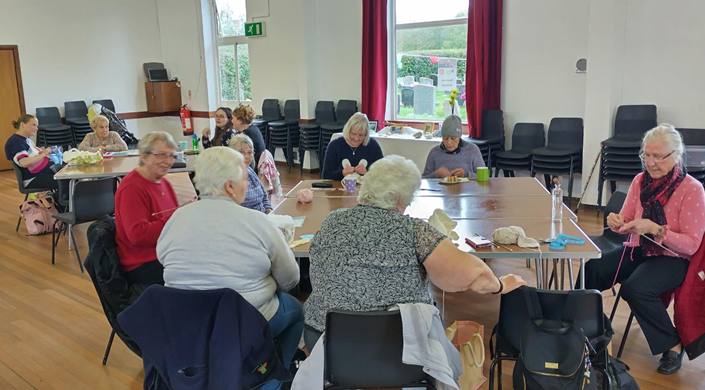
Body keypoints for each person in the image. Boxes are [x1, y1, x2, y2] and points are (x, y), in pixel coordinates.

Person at [304, 155, 526, 349]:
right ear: (402, 199)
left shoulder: (333, 220)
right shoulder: (414, 230)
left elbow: (316, 259)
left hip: (325, 343)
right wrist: (501, 285)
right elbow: (472, 276)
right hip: (396, 347)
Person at [157, 147, 302, 385]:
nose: (247, 184)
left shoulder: (176, 218)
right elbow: (290, 278)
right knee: (296, 311)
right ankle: (273, 377)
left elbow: (162, 258)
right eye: (244, 179)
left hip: (186, 324)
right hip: (244, 322)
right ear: (229, 186)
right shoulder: (257, 222)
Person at [583, 124, 705, 375]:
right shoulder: (640, 181)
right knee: (593, 269)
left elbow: (692, 245)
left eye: (657, 156)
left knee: (636, 288)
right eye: (646, 155)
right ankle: (583, 325)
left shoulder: (692, 189)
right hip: (639, 248)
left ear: (676, 155)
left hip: (675, 258)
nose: (650, 162)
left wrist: (658, 229)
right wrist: (616, 222)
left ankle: (673, 343)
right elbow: (626, 221)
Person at [115, 132, 182, 286]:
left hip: (164, 254)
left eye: (171, 156)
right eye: (161, 155)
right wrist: (177, 218)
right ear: (144, 156)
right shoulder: (132, 187)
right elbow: (138, 235)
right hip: (142, 263)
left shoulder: (164, 182)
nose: (168, 161)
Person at [5, 114, 61, 190]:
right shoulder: (16, 141)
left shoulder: (25, 139)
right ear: (22, 124)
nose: (36, 128)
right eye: (34, 125)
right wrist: (43, 154)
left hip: (42, 174)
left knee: (70, 176)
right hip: (33, 178)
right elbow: (24, 162)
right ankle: (61, 201)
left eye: (36, 126)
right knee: (65, 182)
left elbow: (34, 156)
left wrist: (43, 152)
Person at [321, 112, 384, 180]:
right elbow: (326, 174)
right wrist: (342, 173)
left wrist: (367, 173)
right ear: (348, 131)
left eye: (360, 135)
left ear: (366, 135)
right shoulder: (335, 145)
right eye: (354, 134)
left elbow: (382, 172)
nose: (356, 138)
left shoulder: (373, 145)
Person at [229, 134, 272, 213]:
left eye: (249, 152)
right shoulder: (229, 176)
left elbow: (264, 196)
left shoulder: (249, 170)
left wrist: (269, 211)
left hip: (262, 216)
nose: (246, 156)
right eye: (241, 152)